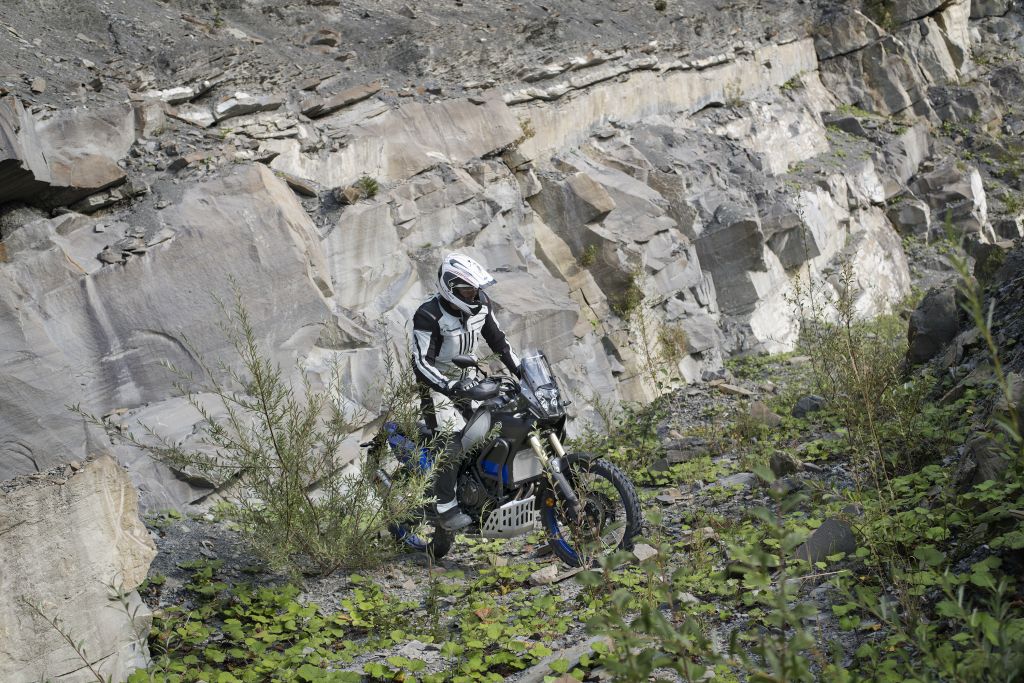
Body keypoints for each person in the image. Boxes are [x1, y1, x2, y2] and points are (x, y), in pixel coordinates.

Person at [410, 252, 521, 531]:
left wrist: (522, 372)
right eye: (468, 290)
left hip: (471, 382)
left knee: (497, 428)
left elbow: (500, 343)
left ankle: (484, 495)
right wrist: (448, 386)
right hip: (438, 387)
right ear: (450, 288)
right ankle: (445, 507)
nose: (474, 295)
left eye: (475, 290)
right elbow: (421, 362)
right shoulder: (428, 315)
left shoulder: (481, 305)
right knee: (452, 441)